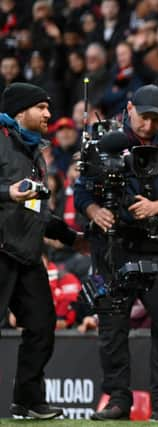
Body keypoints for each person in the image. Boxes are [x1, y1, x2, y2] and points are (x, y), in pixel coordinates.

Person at [74, 84, 158, 421]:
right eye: (143, 118)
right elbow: (81, 192)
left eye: (155, 120)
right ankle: (117, 399)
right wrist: (94, 213)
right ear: (129, 109)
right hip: (114, 248)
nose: (148, 126)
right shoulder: (105, 142)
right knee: (112, 328)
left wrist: (157, 206)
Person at [0, 82, 86, 419]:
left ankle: (27, 400)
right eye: (41, 108)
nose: (49, 114)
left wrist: (70, 238)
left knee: (42, 324)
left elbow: (38, 209)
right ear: (21, 111)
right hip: (1, 249)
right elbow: (15, 194)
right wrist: (8, 192)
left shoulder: (35, 151)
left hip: (27, 252)